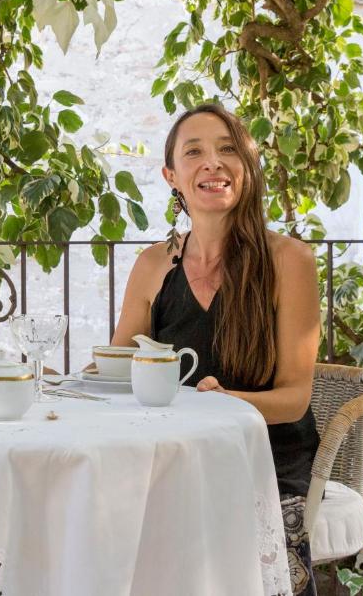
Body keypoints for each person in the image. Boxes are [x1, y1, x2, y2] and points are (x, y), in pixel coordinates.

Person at [111, 103, 321, 595]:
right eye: (194, 152)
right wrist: (49, 375)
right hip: (170, 457)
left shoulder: (290, 260)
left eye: (228, 149)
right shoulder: (153, 264)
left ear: (247, 166)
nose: (213, 163)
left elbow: (295, 398)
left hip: (264, 460)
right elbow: (115, 369)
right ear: (172, 176)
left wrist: (225, 404)